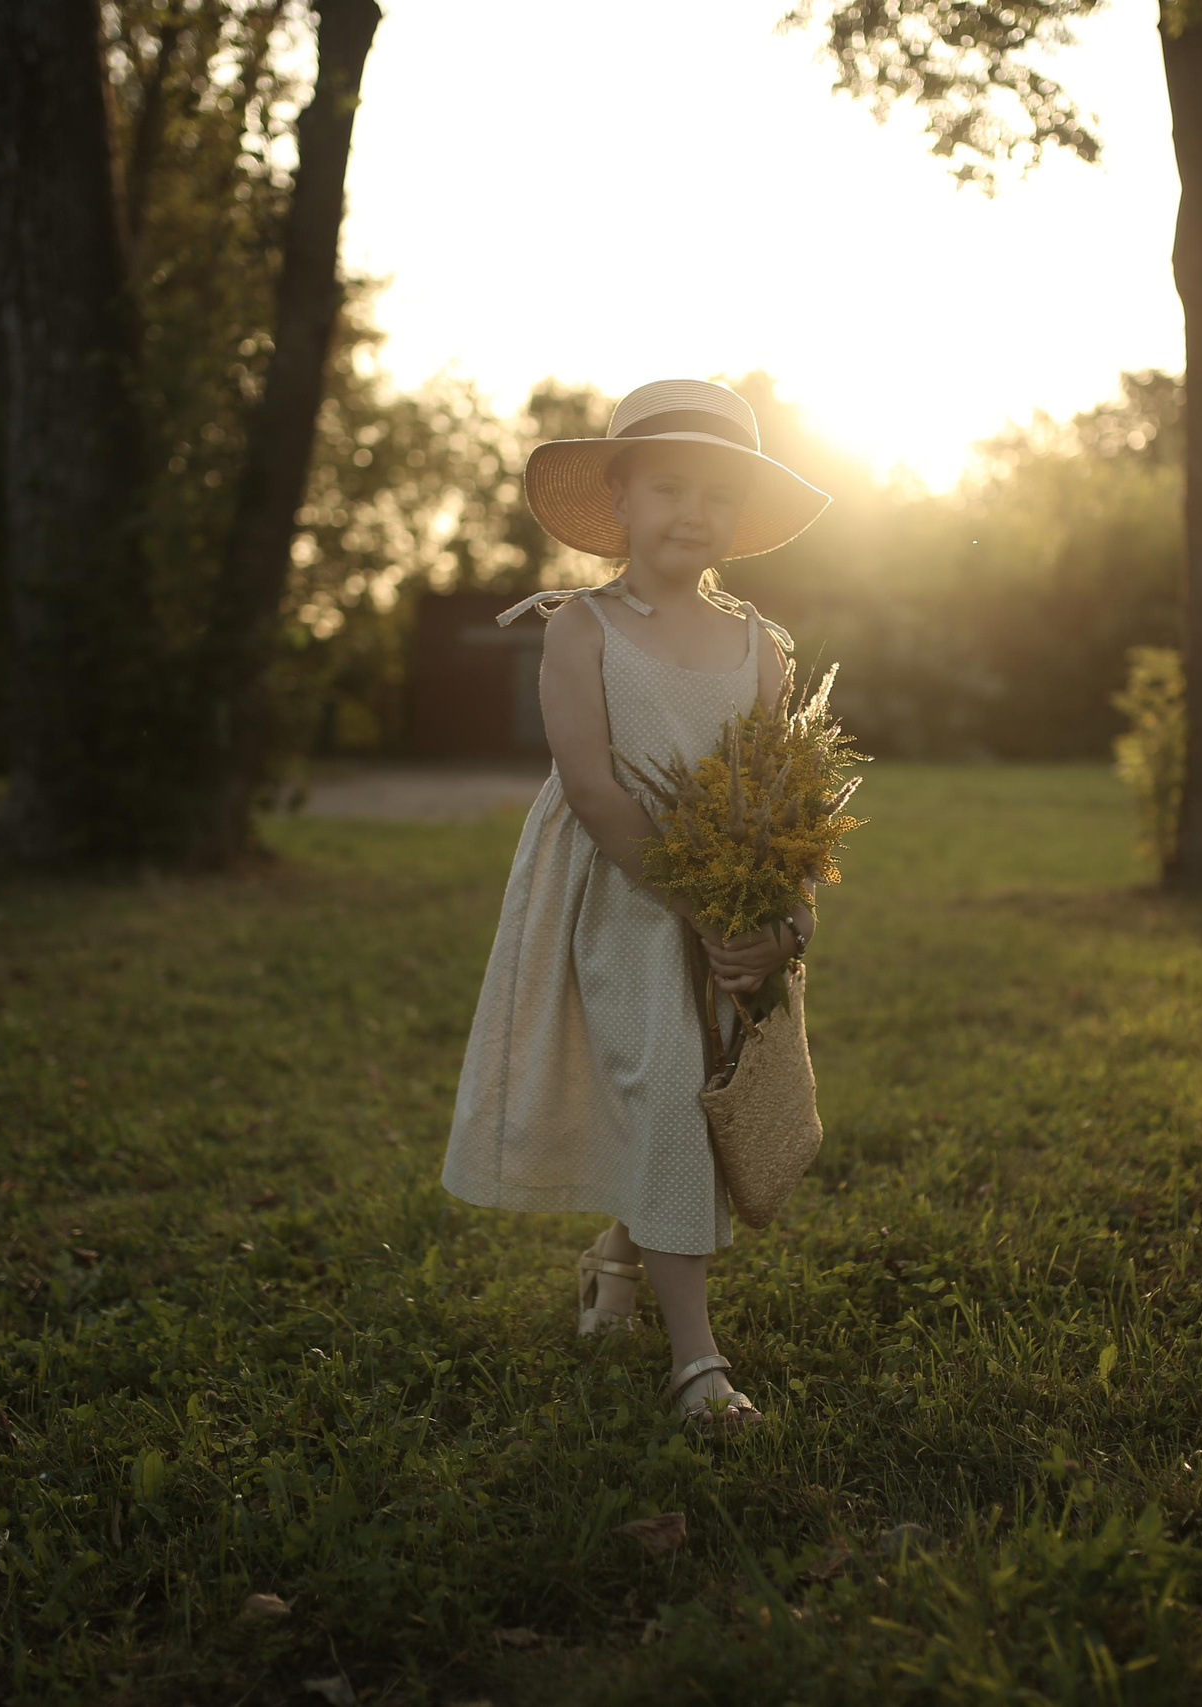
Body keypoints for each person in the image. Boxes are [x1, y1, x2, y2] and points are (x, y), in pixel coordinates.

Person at [440, 378, 831, 1432]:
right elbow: (594, 786)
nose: (692, 510)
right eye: (669, 485)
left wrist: (774, 924)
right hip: (622, 896)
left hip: (727, 919)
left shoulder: (761, 647)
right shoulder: (581, 629)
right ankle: (696, 1362)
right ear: (619, 497)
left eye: (716, 492)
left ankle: (616, 1270)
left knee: (686, 1102)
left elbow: (777, 797)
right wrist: (697, 905)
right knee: (661, 1085)